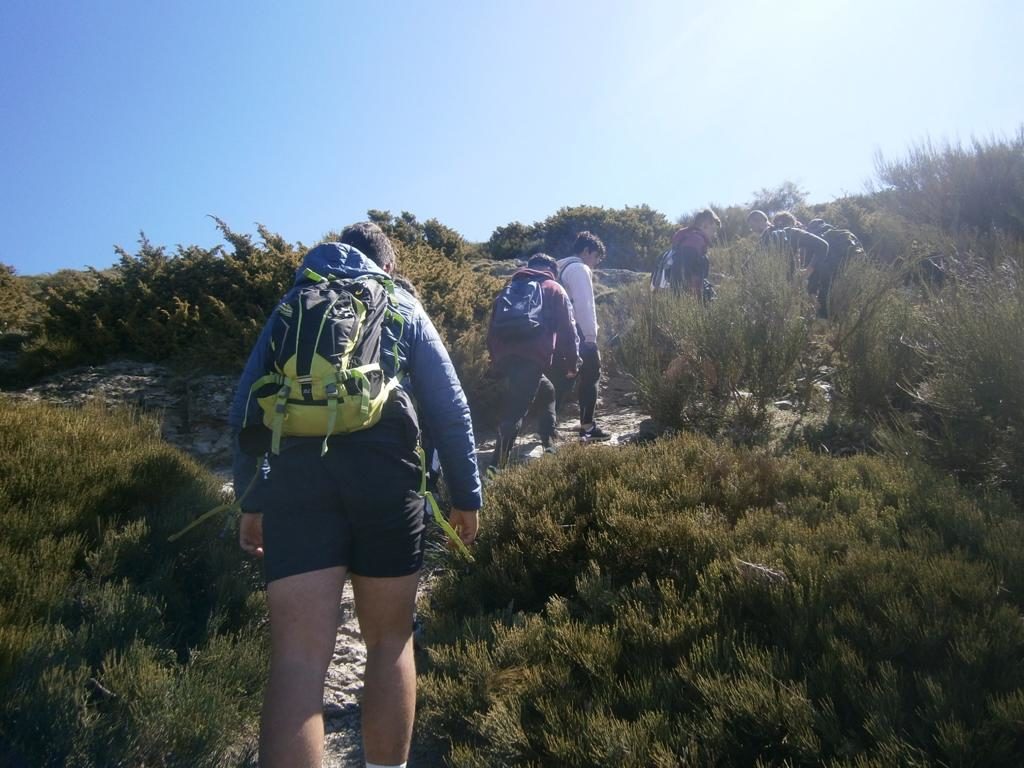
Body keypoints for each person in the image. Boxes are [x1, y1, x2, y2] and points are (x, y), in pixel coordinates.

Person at [229, 221, 482, 768]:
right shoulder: (400, 303)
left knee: (298, 659)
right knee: (389, 640)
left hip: (296, 479)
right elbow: (450, 406)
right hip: (387, 476)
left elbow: (243, 407)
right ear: (387, 266)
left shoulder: (292, 306)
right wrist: (467, 496)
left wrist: (251, 502)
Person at [486, 253, 579, 467]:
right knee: (515, 411)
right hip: (531, 357)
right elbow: (568, 330)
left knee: (547, 391)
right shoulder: (553, 288)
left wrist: (495, 359)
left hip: (505, 357)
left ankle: (548, 442)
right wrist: (572, 363)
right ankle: (496, 466)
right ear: (552, 271)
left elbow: (491, 330)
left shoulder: (509, 289)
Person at [555, 231, 611, 441]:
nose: (595, 264)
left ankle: (548, 426)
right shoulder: (579, 268)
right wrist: (590, 336)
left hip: (558, 332)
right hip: (577, 331)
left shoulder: (559, 267)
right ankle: (588, 426)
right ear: (586, 251)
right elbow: (585, 305)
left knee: (562, 378)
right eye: (596, 257)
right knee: (591, 375)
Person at [667, 208, 721, 301]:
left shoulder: (688, 239)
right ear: (705, 225)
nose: (714, 234)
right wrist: (696, 298)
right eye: (713, 230)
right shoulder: (695, 240)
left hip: (680, 295)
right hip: (687, 298)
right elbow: (685, 272)